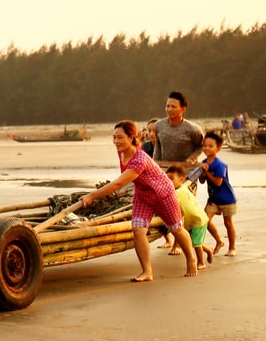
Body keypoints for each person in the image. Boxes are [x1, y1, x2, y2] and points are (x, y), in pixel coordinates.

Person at [81, 120, 198, 281]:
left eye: (120, 138)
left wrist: (92, 196)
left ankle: (191, 259)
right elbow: (124, 180)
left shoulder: (139, 159)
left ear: (131, 138)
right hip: (143, 195)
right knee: (138, 230)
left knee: (176, 228)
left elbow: (119, 183)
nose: (116, 141)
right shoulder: (121, 152)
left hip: (163, 194)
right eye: (114, 137)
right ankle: (147, 271)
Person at [166, 165, 213, 269]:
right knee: (193, 242)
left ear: (182, 179)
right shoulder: (180, 188)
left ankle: (201, 262)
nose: (168, 182)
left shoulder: (178, 192)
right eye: (167, 179)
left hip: (198, 220)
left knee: (196, 243)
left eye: (172, 179)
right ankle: (208, 250)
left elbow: (171, 203)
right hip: (191, 220)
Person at [199, 131, 238, 256]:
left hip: (227, 198)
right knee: (204, 220)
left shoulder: (220, 164)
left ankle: (232, 247)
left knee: (228, 223)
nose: (207, 148)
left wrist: (207, 171)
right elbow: (202, 181)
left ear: (218, 148)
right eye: (205, 145)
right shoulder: (205, 162)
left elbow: (218, 182)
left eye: (211, 146)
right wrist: (201, 172)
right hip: (213, 199)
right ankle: (219, 241)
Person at [141, 117, 175, 250]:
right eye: (149, 131)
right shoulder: (146, 146)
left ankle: (176, 245)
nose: (151, 134)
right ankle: (168, 239)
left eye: (154, 131)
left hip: (167, 181)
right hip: (151, 182)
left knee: (173, 214)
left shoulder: (167, 146)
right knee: (157, 213)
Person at [153, 91, 204, 164]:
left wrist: (192, 158)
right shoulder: (159, 125)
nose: (169, 109)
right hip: (164, 168)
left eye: (173, 106)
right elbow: (158, 147)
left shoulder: (194, 129)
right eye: (168, 106)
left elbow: (201, 146)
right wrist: (155, 163)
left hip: (185, 169)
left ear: (183, 109)